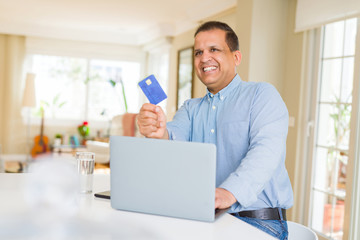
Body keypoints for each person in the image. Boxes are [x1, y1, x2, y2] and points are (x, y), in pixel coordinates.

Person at [137, 21, 293, 240]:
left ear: (236, 58)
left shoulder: (262, 95)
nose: (204, 58)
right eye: (198, 52)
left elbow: (265, 152)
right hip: (204, 220)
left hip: (258, 223)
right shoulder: (190, 108)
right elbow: (173, 137)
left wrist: (228, 193)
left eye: (214, 50)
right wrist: (157, 131)